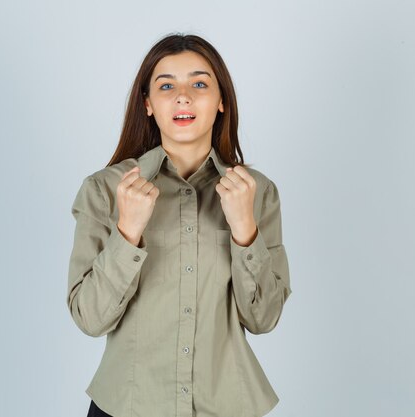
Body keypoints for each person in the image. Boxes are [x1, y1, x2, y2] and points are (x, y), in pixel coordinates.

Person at [66, 33, 292, 417]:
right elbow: (89, 318)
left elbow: (263, 319)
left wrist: (244, 232)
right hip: (127, 406)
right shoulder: (104, 189)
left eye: (199, 83)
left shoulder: (257, 193)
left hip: (224, 407)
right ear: (148, 104)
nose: (182, 96)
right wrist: (127, 232)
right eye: (166, 85)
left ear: (221, 101)